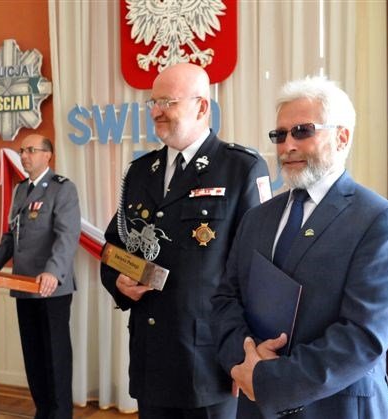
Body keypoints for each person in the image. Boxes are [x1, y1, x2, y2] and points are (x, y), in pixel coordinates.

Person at [211, 76, 388, 418]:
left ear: (341, 137)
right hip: (255, 401)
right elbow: (225, 299)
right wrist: (244, 358)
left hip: (338, 407)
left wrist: (269, 379)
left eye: (302, 131)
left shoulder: (380, 220)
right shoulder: (256, 218)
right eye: (280, 135)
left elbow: (363, 337)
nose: (287, 145)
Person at [100, 63, 271, 419]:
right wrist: (118, 281)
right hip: (151, 357)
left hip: (210, 361)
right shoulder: (140, 171)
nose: (156, 112)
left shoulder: (240, 168)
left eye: (167, 102)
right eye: (153, 103)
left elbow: (258, 269)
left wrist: (244, 353)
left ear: (202, 106)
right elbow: (114, 246)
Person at [0, 134, 81, 419]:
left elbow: (67, 236)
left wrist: (53, 271)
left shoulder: (62, 189)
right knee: (33, 356)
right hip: (23, 284)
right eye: (22, 151)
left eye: (31, 150)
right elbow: (10, 236)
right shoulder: (21, 190)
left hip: (50, 287)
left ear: (48, 155)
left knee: (55, 357)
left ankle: (60, 415)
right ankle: (43, 412)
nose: (24, 156)